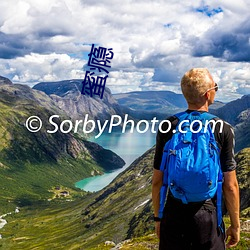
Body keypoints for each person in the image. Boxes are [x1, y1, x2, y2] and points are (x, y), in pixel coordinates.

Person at [152, 68, 240, 250]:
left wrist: (158, 218)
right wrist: (235, 225)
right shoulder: (222, 129)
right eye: (216, 87)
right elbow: (230, 185)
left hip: (174, 212)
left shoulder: (168, 125)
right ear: (208, 94)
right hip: (207, 215)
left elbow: (157, 181)